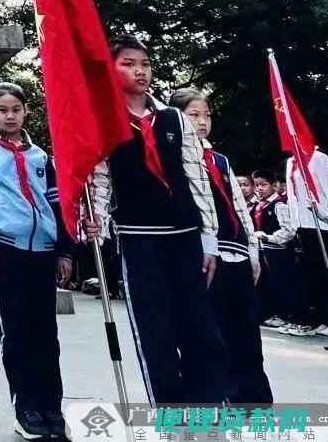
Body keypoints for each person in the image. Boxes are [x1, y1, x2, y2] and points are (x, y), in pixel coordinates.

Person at [84, 37, 228, 406]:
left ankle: (209, 409)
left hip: (185, 237)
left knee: (202, 332)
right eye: (128, 63)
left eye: (144, 63)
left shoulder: (173, 118)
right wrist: (94, 219)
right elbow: (99, 178)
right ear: (111, 70)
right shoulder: (104, 120)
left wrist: (208, 238)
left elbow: (196, 177)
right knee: (156, 335)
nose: (140, 70)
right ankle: (170, 413)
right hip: (140, 240)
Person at [0, 81, 73, 441]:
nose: (9, 116)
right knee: (16, 331)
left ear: (25, 111)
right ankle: (24, 407)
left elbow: (56, 204)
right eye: (2, 110)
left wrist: (64, 249)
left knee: (46, 331)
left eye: (16, 109)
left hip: (42, 250)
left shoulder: (41, 157)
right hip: (6, 248)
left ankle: (51, 406)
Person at [169, 88, 272, 404]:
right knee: (213, 334)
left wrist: (252, 249)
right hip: (203, 256)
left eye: (206, 115)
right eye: (193, 115)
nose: (202, 122)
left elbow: (240, 206)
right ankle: (220, 398)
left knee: (248, 335)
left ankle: (255, 401)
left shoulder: (220, 159)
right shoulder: (174, 158)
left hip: (237, 252)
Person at [284, 145, 328, 338]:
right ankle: (323, 317)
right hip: (307, 223)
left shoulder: (318, 158)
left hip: (324, 230)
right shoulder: (291, 162)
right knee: (314, 275)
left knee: (325, 274)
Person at [250, 168, 307, 335]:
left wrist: (268, 238)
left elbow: (289, 230)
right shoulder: (261, 205)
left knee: (290, 287)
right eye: (257, 185)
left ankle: (300, 321)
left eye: (263, 185)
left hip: (282, 252)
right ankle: (287, 317)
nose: (259, 188)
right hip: (268, 252)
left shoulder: (279, 205)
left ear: (274, 185)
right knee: (277, 286)